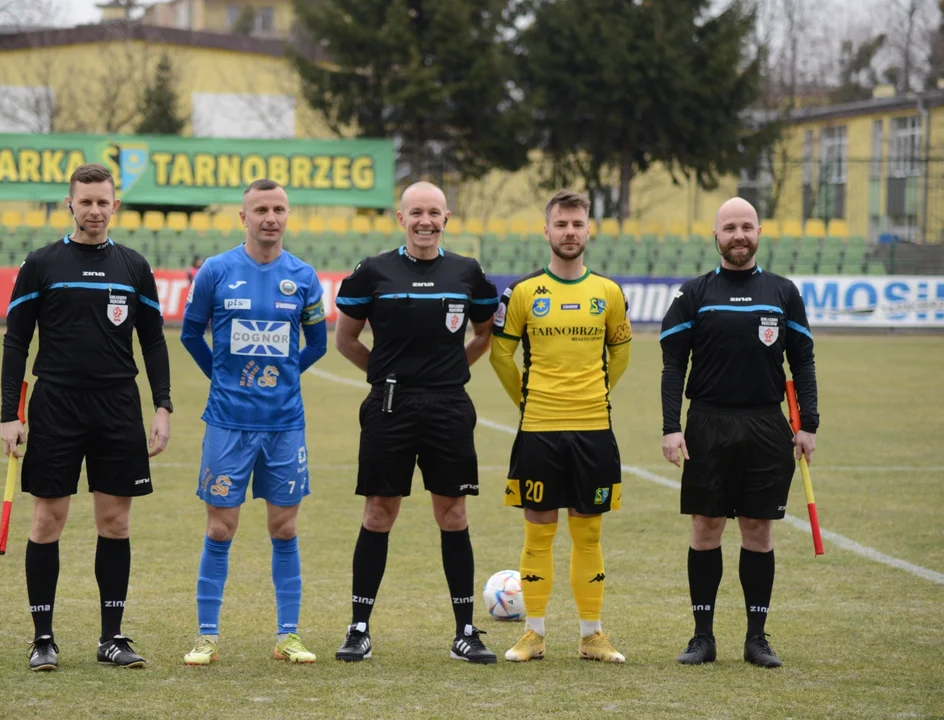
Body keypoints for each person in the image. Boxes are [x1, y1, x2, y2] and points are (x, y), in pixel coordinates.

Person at [0, 163, 173, 672]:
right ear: (70, 205)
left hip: (118, 405)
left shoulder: (134, 266)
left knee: (115, 523)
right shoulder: (41, 263)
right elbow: (15, 342)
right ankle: (43, 638)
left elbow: (154, 341)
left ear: (115, 206)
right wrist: (11, 413)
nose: (95, 210)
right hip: (55, 404)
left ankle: (112, 637)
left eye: (104, 201)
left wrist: (162, 405)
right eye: (86, 201)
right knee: (47, 519)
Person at [332, 181, 500, 664]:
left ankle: (465, 631)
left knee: (454, 514)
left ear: (447, 218)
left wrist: (451, 374)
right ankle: (359, 627)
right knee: (379, 513)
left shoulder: (467, 272)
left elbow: (484, 333)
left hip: (448, 406)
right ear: (400, 217)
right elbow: (346, 339)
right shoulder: (373, 271)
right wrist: (385, 379)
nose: (425, 221)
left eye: (434, 213)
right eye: (416, 213)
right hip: (390, 408)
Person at [659, 196, 819, 669]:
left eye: (746, 226)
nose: (738, 235)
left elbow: (803, 360)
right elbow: (673, 366)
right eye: (729, 227)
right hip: (707, 422)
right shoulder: (694, 294)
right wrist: (671, 427)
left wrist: (808, 422)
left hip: (768, 425)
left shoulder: (783, 292)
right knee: (706, 528)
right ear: (716, 236)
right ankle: (702, 637)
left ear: (759, 232)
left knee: (758, 530)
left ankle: (756, 637)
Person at [179, 179, 327, 666]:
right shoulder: (217, 271)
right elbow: (190, 335)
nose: (270, 217)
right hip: (227, 421)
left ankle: (288, 636)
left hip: (285, 423)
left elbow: (318, 345)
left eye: (279, 209)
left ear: (288, 216)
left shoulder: (304, 277)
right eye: (260, 209)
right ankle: (206, 637)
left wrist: (281, 378)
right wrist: (223, 377)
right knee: (220, 529)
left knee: (284, 529)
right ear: (243, 217)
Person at [489, 190, 632, 664]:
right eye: (561, 224)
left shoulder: (608, 293)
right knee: (538, 533)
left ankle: (592, 635)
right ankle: (533, 634)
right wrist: (529, 402)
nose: (570, 232)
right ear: (546, 231)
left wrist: (595, 392)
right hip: (540, 431)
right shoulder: (524, 293)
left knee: (589, 535)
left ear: (588, 230)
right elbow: (501, 354)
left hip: (593, 429)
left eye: (577, 224)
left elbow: (621, 351)